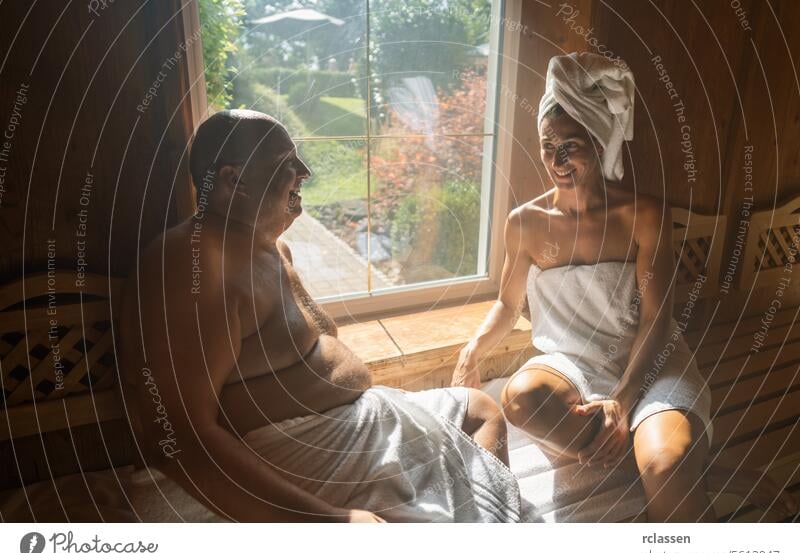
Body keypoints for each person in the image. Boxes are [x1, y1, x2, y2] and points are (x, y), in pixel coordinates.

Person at [118, 109, 520, 523]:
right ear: (232, 181)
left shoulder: (271, 248)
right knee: (465, 446)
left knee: (478, 410)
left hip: (354, 430)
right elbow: (175, 438)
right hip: (302, 458)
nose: (304, 172)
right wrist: (329, 521)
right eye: (285, 164)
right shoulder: (192, 262)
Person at [452, 52, 798, 522]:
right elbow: (508, 303)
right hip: (571, 361)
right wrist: (474, 348)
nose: (555, 159)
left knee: (663, 462)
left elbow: (657, 316)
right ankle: (705, 474)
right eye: (546, 143)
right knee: (520, 398)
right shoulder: (526, 222)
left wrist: (625, 396)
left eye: (570, 144)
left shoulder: (643, 215)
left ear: (599, 142)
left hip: (649, 361)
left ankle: (675, 471)